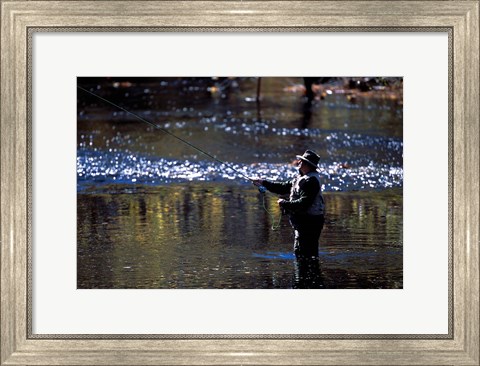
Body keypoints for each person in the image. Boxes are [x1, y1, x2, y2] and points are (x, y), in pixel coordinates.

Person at [254, 150, 325, 259]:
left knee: (305, 254)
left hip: (310, 223)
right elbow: (283, 187)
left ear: (307, 165)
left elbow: (304, 203)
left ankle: (307, 274)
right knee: (302, 253)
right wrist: (263, 182)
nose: (298, 162)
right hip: (304, 222)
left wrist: (284, 204)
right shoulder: (301, 178)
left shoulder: (311, 181)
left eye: (301, 161)